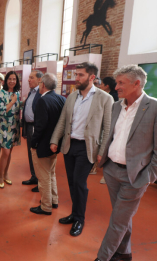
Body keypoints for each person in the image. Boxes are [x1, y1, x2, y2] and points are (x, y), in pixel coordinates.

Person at [86, 65, 157, 261]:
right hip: (111, 171)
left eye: (121, 83)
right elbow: (111, 134)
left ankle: (102, 258)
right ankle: (124, 251)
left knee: (118, 220)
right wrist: (103, 158)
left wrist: (148, 177)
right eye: (116, 83)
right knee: (122, 216)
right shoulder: (117, 106)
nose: (116, 87)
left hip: (135, 176)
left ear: (137, 83)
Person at [50, 62, 113, 237]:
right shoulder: (72, 97)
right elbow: (63, 120)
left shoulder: (105, 98)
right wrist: (55, 139)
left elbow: (107, 128)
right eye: (76, 75)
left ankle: (79, 219)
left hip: (87, 147)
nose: (76, 78)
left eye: (80, 75)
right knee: (71, 182)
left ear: (92, 77)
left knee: (79, 183)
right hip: (70, 145)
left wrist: (102, 151)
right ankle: (74, 213)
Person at [29, 73, 66, 215]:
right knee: (51, 173)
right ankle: (53, 200)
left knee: (43, 176)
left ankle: (45, 206)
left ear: (42, 85)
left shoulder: (42, 101)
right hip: (54, 144)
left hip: (43, 145)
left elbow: (40, 126)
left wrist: (34, 142)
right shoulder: (61, 99)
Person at [0, 71, 22, 188]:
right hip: (4, 127)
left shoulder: (17, 93)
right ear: (6, 81)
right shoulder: (1, 93)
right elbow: (1, 110)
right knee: (5, 152)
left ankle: (6, 174)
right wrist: (12, 102)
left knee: (10, 151)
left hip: (14, 126)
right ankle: (0, 176)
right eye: (10, 79)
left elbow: (19, 108)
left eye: (14, 79)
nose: (12, 81)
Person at [21, 70, 43, 191]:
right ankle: (34, 176)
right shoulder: (31, 92)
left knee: (37, 154)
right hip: (29, 127)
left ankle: (40, 181)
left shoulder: (41, 93)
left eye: (31, 77)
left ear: (40, 79)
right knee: (31, 153)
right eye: (29, 77)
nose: (28, 80)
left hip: (36, 127)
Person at [99, 76, 120, 184]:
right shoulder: (109, 95)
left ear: (107, 86)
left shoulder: (112, 97)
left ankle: (106, 175)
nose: (100, 86)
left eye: (101, 84)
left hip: (111, 127)